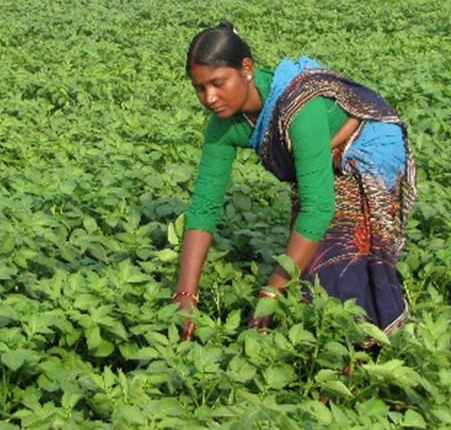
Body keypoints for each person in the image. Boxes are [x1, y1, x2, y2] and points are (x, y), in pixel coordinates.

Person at [172, 21, 417, 342]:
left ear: (247, 68)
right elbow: (204, 206)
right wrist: (185, 294)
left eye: (217, 83)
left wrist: (272, 290)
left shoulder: (298, 106)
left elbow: (318, 208)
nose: (210, 97)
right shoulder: (223, 125)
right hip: (321, 152)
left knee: (337, 256)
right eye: (200, 88)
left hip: (367, 150)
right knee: (304, 263)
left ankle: (365, 345)